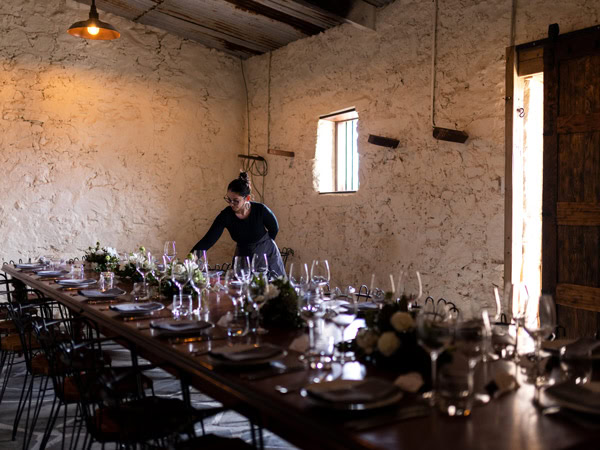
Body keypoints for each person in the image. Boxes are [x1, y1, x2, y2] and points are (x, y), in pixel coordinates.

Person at [191, 172, 286, 277]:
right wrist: (190, 259)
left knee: (274, 290)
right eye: (229, 199)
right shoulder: (226, 216)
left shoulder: (260, 210)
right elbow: (208, 240)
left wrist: (264, 246)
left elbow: (274, 228)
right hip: (242, 256)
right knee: (241, 289)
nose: (231, 204)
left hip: (266, 255)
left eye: (236, 201)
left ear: (247, 198)